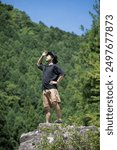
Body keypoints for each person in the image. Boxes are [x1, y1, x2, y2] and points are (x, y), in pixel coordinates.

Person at [37, 51, 65, 123]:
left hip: (52, 88)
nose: (46, 57)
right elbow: (38, 64)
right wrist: (42, 56)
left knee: (55, 103)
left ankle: (59, 119)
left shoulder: (55, 66)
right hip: (44, 89)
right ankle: (47, 123)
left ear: (52, 58)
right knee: (46, 107)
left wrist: (57, 82)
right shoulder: (45, 67)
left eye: (48, 56)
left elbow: (62, 74)